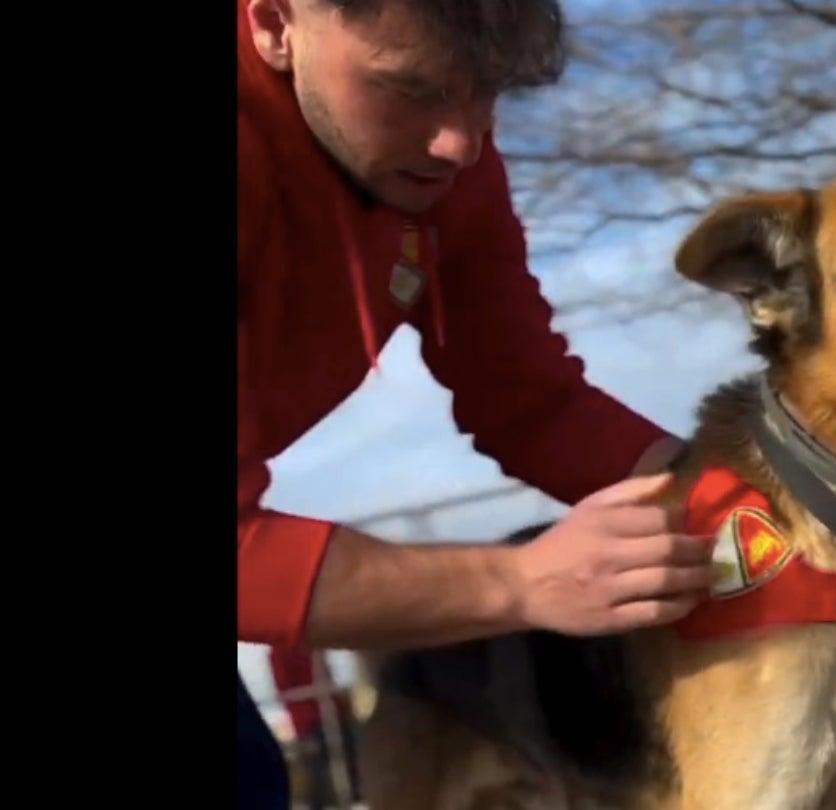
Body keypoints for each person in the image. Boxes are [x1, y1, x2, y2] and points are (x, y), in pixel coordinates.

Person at [236, 1, 714, 807]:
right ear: (276, 24)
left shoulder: (446, 167)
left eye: (487, 90)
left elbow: (529, 400)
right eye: (411, 88)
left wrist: (741, 499)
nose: (461, 143)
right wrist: (519, 583)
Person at [269, 647, 362, 809]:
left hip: (333, 714)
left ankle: (353, 798)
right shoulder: (282, 652)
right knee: (318, 766)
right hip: (311, 720)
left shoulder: (313, 649)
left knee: (349, 756)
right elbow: (285, 688)